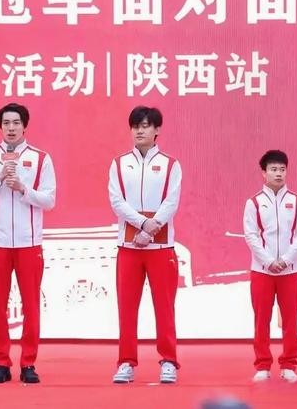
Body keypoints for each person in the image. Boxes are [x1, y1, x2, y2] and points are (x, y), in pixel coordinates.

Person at [0, 103, 56, 384]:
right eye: (6, 123)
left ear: (24, 126)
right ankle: (1, 363)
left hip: (29, 243)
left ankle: (28, 363)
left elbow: (49, 200)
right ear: (0, 126)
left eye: (16, 123)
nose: (11, 128)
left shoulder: (41, 159)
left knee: (31, 305)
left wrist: (23, 188)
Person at [108, 106, 182, 384]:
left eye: (145, 126)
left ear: (157, 130)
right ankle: (126, 362)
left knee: (164, 307)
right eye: (135, 126)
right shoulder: (119, 164)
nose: (140, 131)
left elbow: (171, 201)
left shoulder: (170, 165)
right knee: (127, 308)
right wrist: (141, 224)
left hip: (161, 249)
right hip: (128, 247)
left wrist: (152, 228)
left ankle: (169, 361)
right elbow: (117, 201)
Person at [243, 150, 297, 383]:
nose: (278, 173)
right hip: (262, 271)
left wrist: (286, 260)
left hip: (291, 271)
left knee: (291, 319)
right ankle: (262, 365)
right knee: (261, 319)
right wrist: (269, 261)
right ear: (264, 173)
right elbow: (251, 235)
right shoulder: (254, 203)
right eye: (273, 169)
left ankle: (289, 364)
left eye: (282, 169)